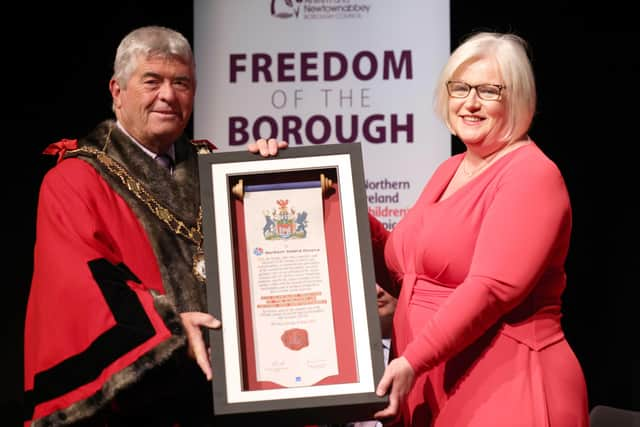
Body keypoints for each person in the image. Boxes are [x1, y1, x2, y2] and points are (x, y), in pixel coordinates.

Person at [23, 25, 286, 426]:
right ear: (117, 91)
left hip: (237, 397)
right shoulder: (75, 180)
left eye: (181, 83)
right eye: (152, 81)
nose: (168, 95)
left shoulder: (217, 172)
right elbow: (80, 287)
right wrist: (171, 331)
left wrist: (273, 178)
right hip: (145, 403)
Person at [367, 32, 590, 426]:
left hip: (508, 386)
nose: (470, 102)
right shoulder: (449, 170)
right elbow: (408, 278)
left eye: (489, 91)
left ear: (518, 98)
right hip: (433, 384)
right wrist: (321, 196)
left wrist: (413, 360)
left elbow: (491, 288)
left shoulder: (532, 174)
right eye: (461, 88)